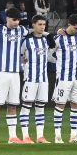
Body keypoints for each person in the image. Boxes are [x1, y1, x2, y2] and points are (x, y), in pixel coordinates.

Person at [0, 7, 27, 145]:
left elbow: (35, 33)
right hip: (2, 73)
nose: (17, 23)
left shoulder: (22, 30)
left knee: (13, 105)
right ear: (7, 18)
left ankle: (13, 137)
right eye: (14, 20)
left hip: (16, 74)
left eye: (18, 20)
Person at [52, 14, 77, 144]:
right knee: (60, 105)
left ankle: (73, 136)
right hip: (63, 78)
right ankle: (57, 136)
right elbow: (49, 55)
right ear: (69, 24)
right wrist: (58, 64)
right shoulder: (58, 38)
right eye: (75, 28)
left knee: (76, 105)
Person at [20, 15, 54, 144]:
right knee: (27, 106)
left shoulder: (46, 40)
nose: (42, 27)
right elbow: (20, 56)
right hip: (30, 79)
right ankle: (25, 136)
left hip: (43, 79)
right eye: (39, 24)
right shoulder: (26, 41)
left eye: (44, 25)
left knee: (41, 107)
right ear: (33, 25)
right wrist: (24, 67)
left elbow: (53, 45)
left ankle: (40, 136)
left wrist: (46, 33)